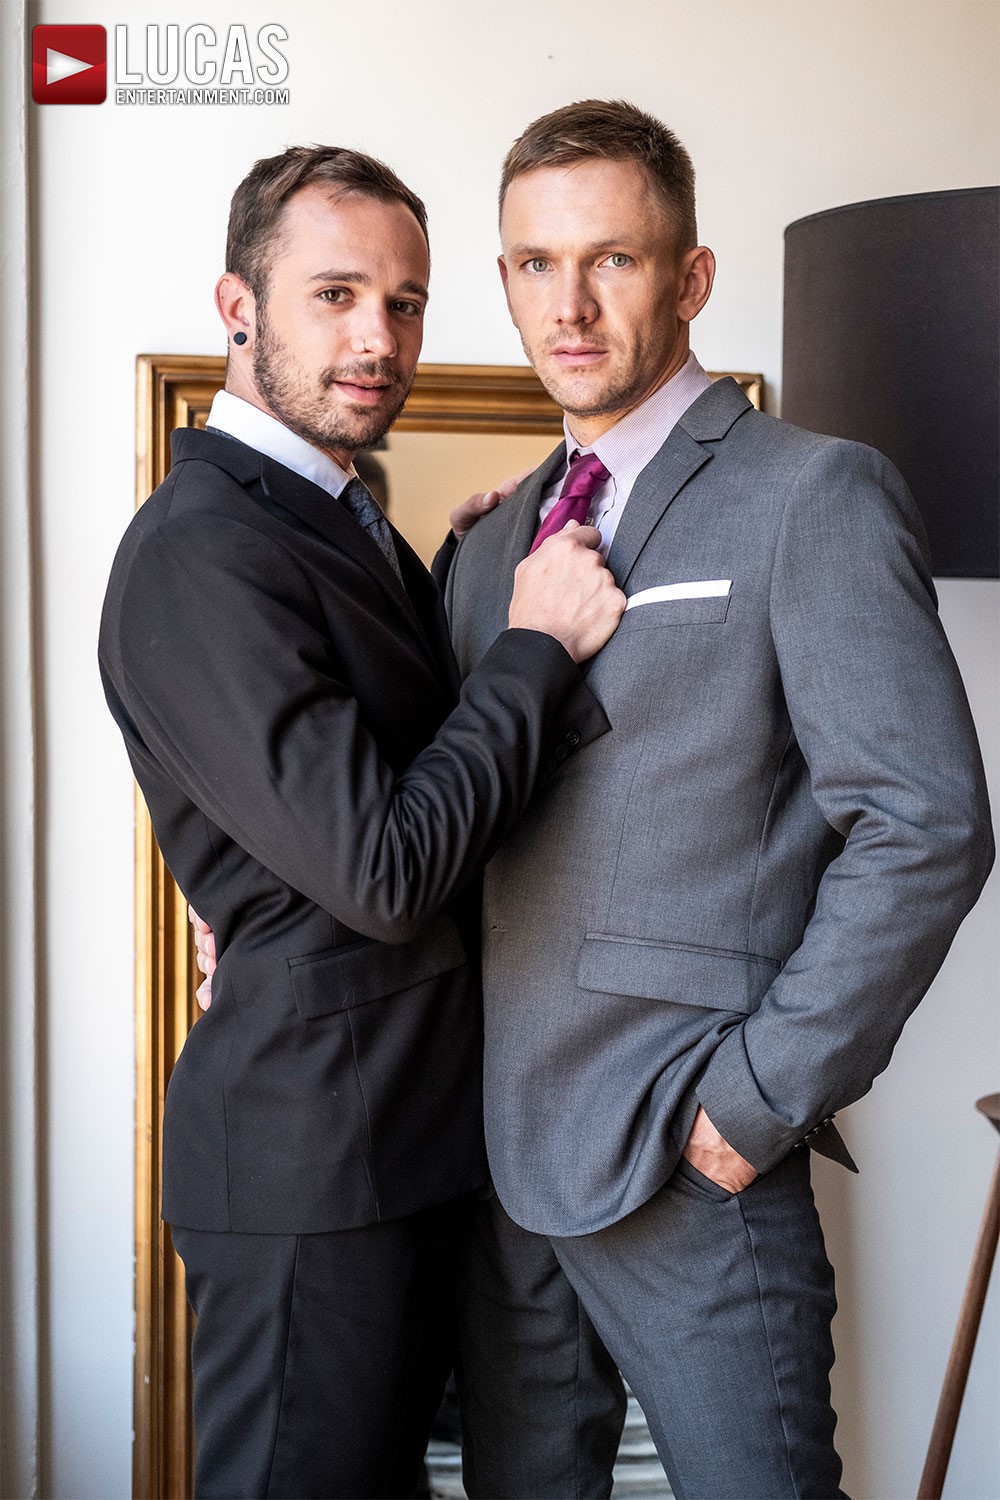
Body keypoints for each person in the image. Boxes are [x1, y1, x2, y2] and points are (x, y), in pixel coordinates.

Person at [435, 100, 994, 1500]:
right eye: (536, 263)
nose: (569, 305)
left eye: (612, 260)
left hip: (689, 1155)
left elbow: (925, 823)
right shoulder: (491, 546)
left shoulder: (815, 494)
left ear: (691, 278)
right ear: (503, 277)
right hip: (500, 1172)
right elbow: (442, 807)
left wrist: (755, 1100)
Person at [98, 143, 625, 1500]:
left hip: (400, 1149)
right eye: (334, 295)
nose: (378, 339)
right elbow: (384, 869)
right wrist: (533, 646)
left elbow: (377, 762)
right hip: (311, 1177)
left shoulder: (338, 520)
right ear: (238, 307)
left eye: (405, 302)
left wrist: (468, 577)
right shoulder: (203, 544)